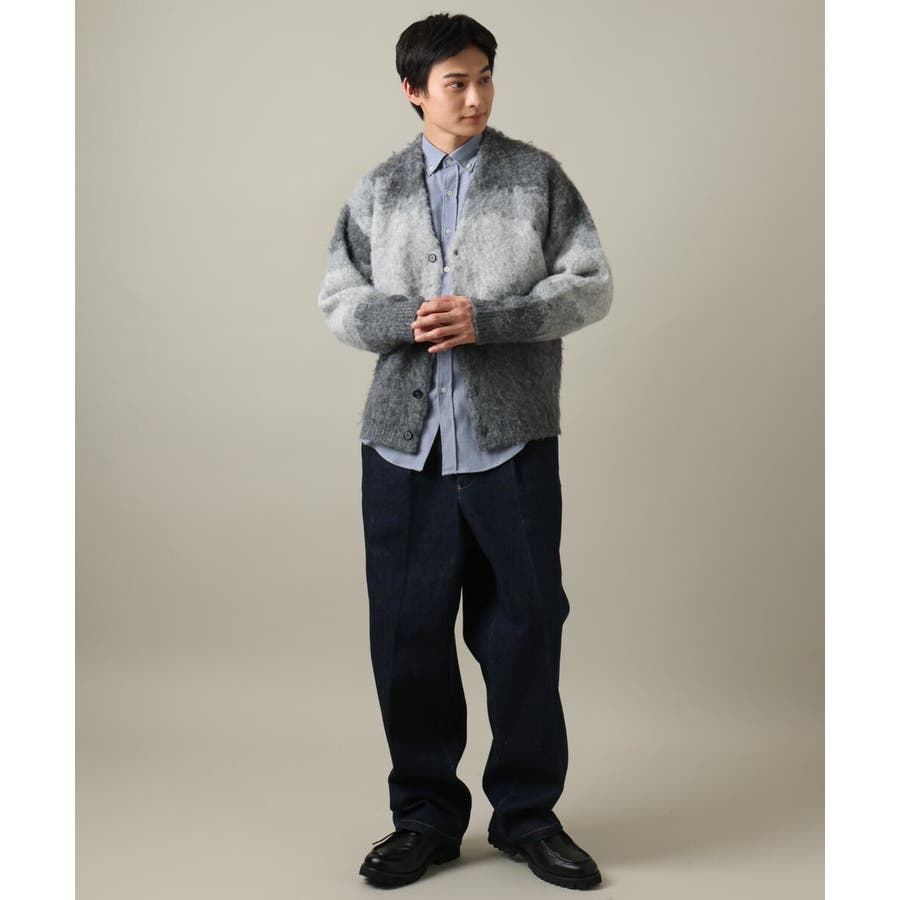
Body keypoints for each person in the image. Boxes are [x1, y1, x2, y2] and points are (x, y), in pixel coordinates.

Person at [317, 12, 613, 891]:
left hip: (509, 443)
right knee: (407, 637)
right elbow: (338, 299)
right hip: (403, 452)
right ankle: (424, 821)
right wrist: (403, 317)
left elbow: (590, 285)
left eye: (484, 77)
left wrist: (492, 320)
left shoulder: (536, 177)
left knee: (526, 629)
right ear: (415, 90)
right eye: (456, 82)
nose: (476, 96)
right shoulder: (378, 191)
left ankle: (528, 818)